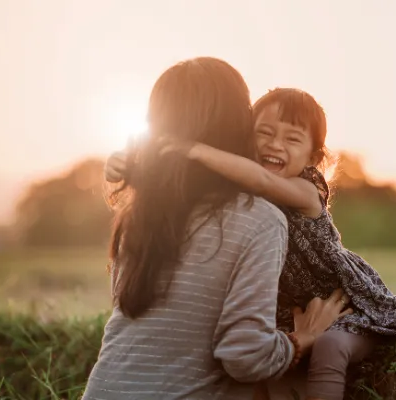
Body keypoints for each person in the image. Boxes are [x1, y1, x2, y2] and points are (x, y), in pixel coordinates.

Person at [105, 88, 396, 400]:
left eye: (292, 138)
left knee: (330, 346)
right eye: (265, 133)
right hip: (288, 312)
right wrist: (129, 162)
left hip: (340, 305)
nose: (275, 145)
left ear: (313, 157)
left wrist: (194, 149)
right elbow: (196, 175)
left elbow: (261, 180)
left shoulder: (305, 191)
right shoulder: (240, 180)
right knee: (255, 366)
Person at [83, 58, 352, 400]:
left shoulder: (140, 214)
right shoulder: (258, 219)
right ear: (239, 124)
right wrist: (306, 338)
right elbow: (244, 357)